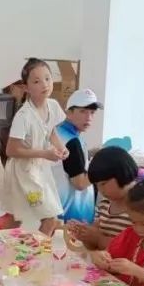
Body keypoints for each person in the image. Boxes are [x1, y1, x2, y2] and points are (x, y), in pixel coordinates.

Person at [0, 58, 68, 236]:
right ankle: (36, 249)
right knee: (49, 218)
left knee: (15, 217)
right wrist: (44, 153)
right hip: (24, 173)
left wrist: (61, 147)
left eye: (47, 78)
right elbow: (11, 150)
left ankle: (2, 245)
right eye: (36, 81)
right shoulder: (23, 116)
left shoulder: (53, 106)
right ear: (26, 87)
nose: (44, 84)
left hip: (39, 170)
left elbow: (51, 131)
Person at [65, 146, 139, 250]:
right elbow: (94, 246)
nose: (100, 190)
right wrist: (85, 234)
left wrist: (99, 239)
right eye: (97, 185)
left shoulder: (141, 208)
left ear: (122, 173)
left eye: (103, 184)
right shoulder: (105, 204)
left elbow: (134, 251)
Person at [54, 89, 101, 223]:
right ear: (69, 112)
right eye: (83, 111)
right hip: (71, 215)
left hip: (56, 211)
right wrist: (101, 168)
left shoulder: (58, 132)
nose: (88, 117)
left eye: (92, 112)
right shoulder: (72, 141)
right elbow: (80, 183)